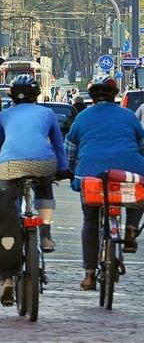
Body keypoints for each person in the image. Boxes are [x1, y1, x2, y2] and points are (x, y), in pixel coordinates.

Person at [0, 74, 69, 306]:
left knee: (6, 210)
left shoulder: (5, 115)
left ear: (11, 95)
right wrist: (63, 168)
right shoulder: (47, 113)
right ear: (36, 94)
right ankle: (46, 235)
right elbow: (58, 145)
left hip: (11, 166)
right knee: (45, 187)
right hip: (42, 164)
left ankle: (7, 279)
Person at [65, 76, 144, 290]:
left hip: (91, 176)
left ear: (91, 96)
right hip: (128, 171)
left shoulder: (82, 117)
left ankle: (89, 275)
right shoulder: (128, 116)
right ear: (114, 93)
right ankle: (130, 228)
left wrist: (74, 175)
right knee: (139, 194)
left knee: (90, 221)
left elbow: (70, 151)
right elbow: (141, 144)